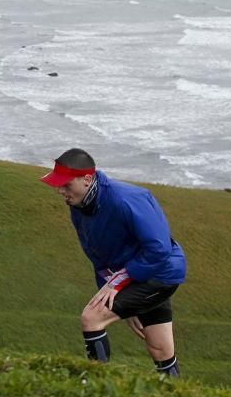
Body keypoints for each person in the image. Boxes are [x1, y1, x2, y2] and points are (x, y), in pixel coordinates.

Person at [40, 148, 186, 377]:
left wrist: (118, 284)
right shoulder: (79, 207)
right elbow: (98, 258)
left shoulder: (127, 199)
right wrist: (126, 305)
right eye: (58, 185)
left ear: (87, 180)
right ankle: (177, 393)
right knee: (160, 349)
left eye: (66, 184)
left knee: (91, 318)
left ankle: (95, 386)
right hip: (135, 276)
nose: (60, 191)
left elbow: (159, 249)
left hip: (160, 274)